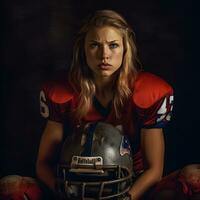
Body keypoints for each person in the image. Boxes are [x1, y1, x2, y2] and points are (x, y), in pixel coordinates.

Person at [36, 9, 174, 200]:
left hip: (134, 185)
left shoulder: (148, 93)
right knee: (14, 188)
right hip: (73, 184)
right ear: (83, 50)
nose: (104, 55)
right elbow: (43, 163)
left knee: (193, 180)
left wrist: (126, 198)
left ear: (126, 48)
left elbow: (154, 169)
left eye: (113, 45)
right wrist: (62, 193)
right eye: (95, 45)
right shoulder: (62, 93)